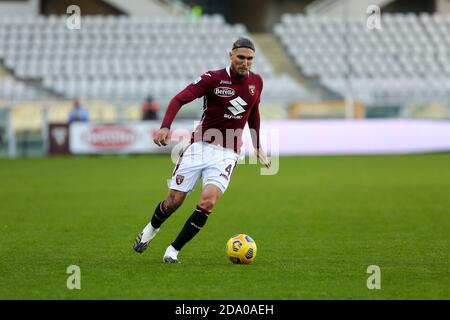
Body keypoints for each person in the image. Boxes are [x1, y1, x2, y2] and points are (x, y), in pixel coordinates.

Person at [133, 37, 271, 263]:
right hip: (199, 147)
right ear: (231, 55)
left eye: (250, 59)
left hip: (228, 153)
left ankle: (173, 250)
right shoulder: (212, 79)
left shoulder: (257, 82)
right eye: (241, 57)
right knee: (173, 202)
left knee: (207, 202)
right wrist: (165, 126)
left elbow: (254, 112)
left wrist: (257, 145)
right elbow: (178, 99)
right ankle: (151, 229)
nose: (245, 63)